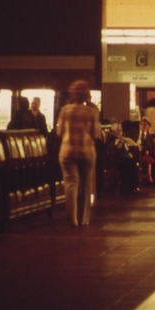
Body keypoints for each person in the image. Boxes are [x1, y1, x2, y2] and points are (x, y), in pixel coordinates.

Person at [56, 80, 101, 227]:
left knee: (71, 183)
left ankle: (72, 217)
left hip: (67, 151)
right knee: (86, 184)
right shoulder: (91, 112)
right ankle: (84, 219)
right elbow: (95, 134)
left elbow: (59, 132)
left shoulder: (65, 110)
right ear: (86, 95)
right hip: (86, 151)